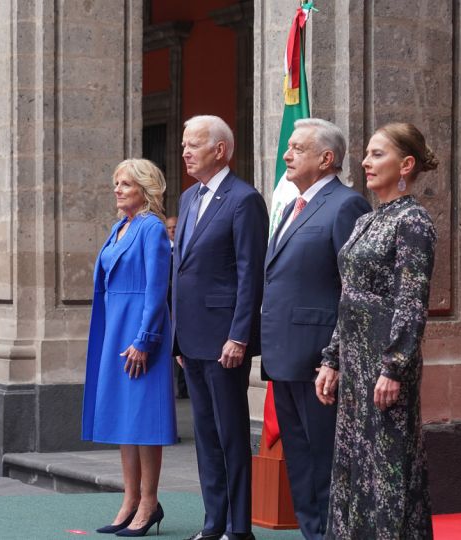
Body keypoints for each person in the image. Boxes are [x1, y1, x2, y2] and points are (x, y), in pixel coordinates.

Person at [315, 122, 439, 539]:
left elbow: (411, 300)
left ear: (406, 164)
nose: (366, 162)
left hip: (385, 365)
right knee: (353, 465)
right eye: (366, 154)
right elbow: (348, 296)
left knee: (387, 472)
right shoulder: (366, 220)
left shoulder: (414, 221)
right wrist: (332, 359)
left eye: (377, 154)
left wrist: (395, 367)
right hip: (354, 364)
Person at [260, 119, 371, 540]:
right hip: (285, 353)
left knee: (324, 460)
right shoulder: (292, 206)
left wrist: (337, 358)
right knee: (301, 462)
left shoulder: (346, 205)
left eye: (296, 148)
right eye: (288, 147)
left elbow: (354, 288)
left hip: (319, 358)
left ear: (326, 159)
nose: (286, 155)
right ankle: (313, 533)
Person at [172, 115, 268, 540]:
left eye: (194, 145)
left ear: (220, 150)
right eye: (183, 145)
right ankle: (213, 523)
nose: (186, 152)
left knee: (231, 435)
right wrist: (176, 335)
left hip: (225, 338)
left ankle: (239, 527)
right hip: (190, 338)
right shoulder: (188, 197)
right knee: (205, 435)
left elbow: (251, 274)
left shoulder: (243, 199)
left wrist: (239, 335)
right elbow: (182, 269)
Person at [82, 159, 176, 537]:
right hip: (114, 326)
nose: (117, 189)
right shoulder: (120, 226)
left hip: (140, 328)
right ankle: (130, 499)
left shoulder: (151, 228)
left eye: (126, 184)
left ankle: (149, 503)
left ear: (146, 189)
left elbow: (157, 290)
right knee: (124, 418)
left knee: (144, 419)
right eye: (116, 182)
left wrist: (145, 339)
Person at [163, 215, 188, 399]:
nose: (172, 230)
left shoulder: (186, 246)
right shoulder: (163, 249)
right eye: (169, 228)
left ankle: (185, 387)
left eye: (175, 227)